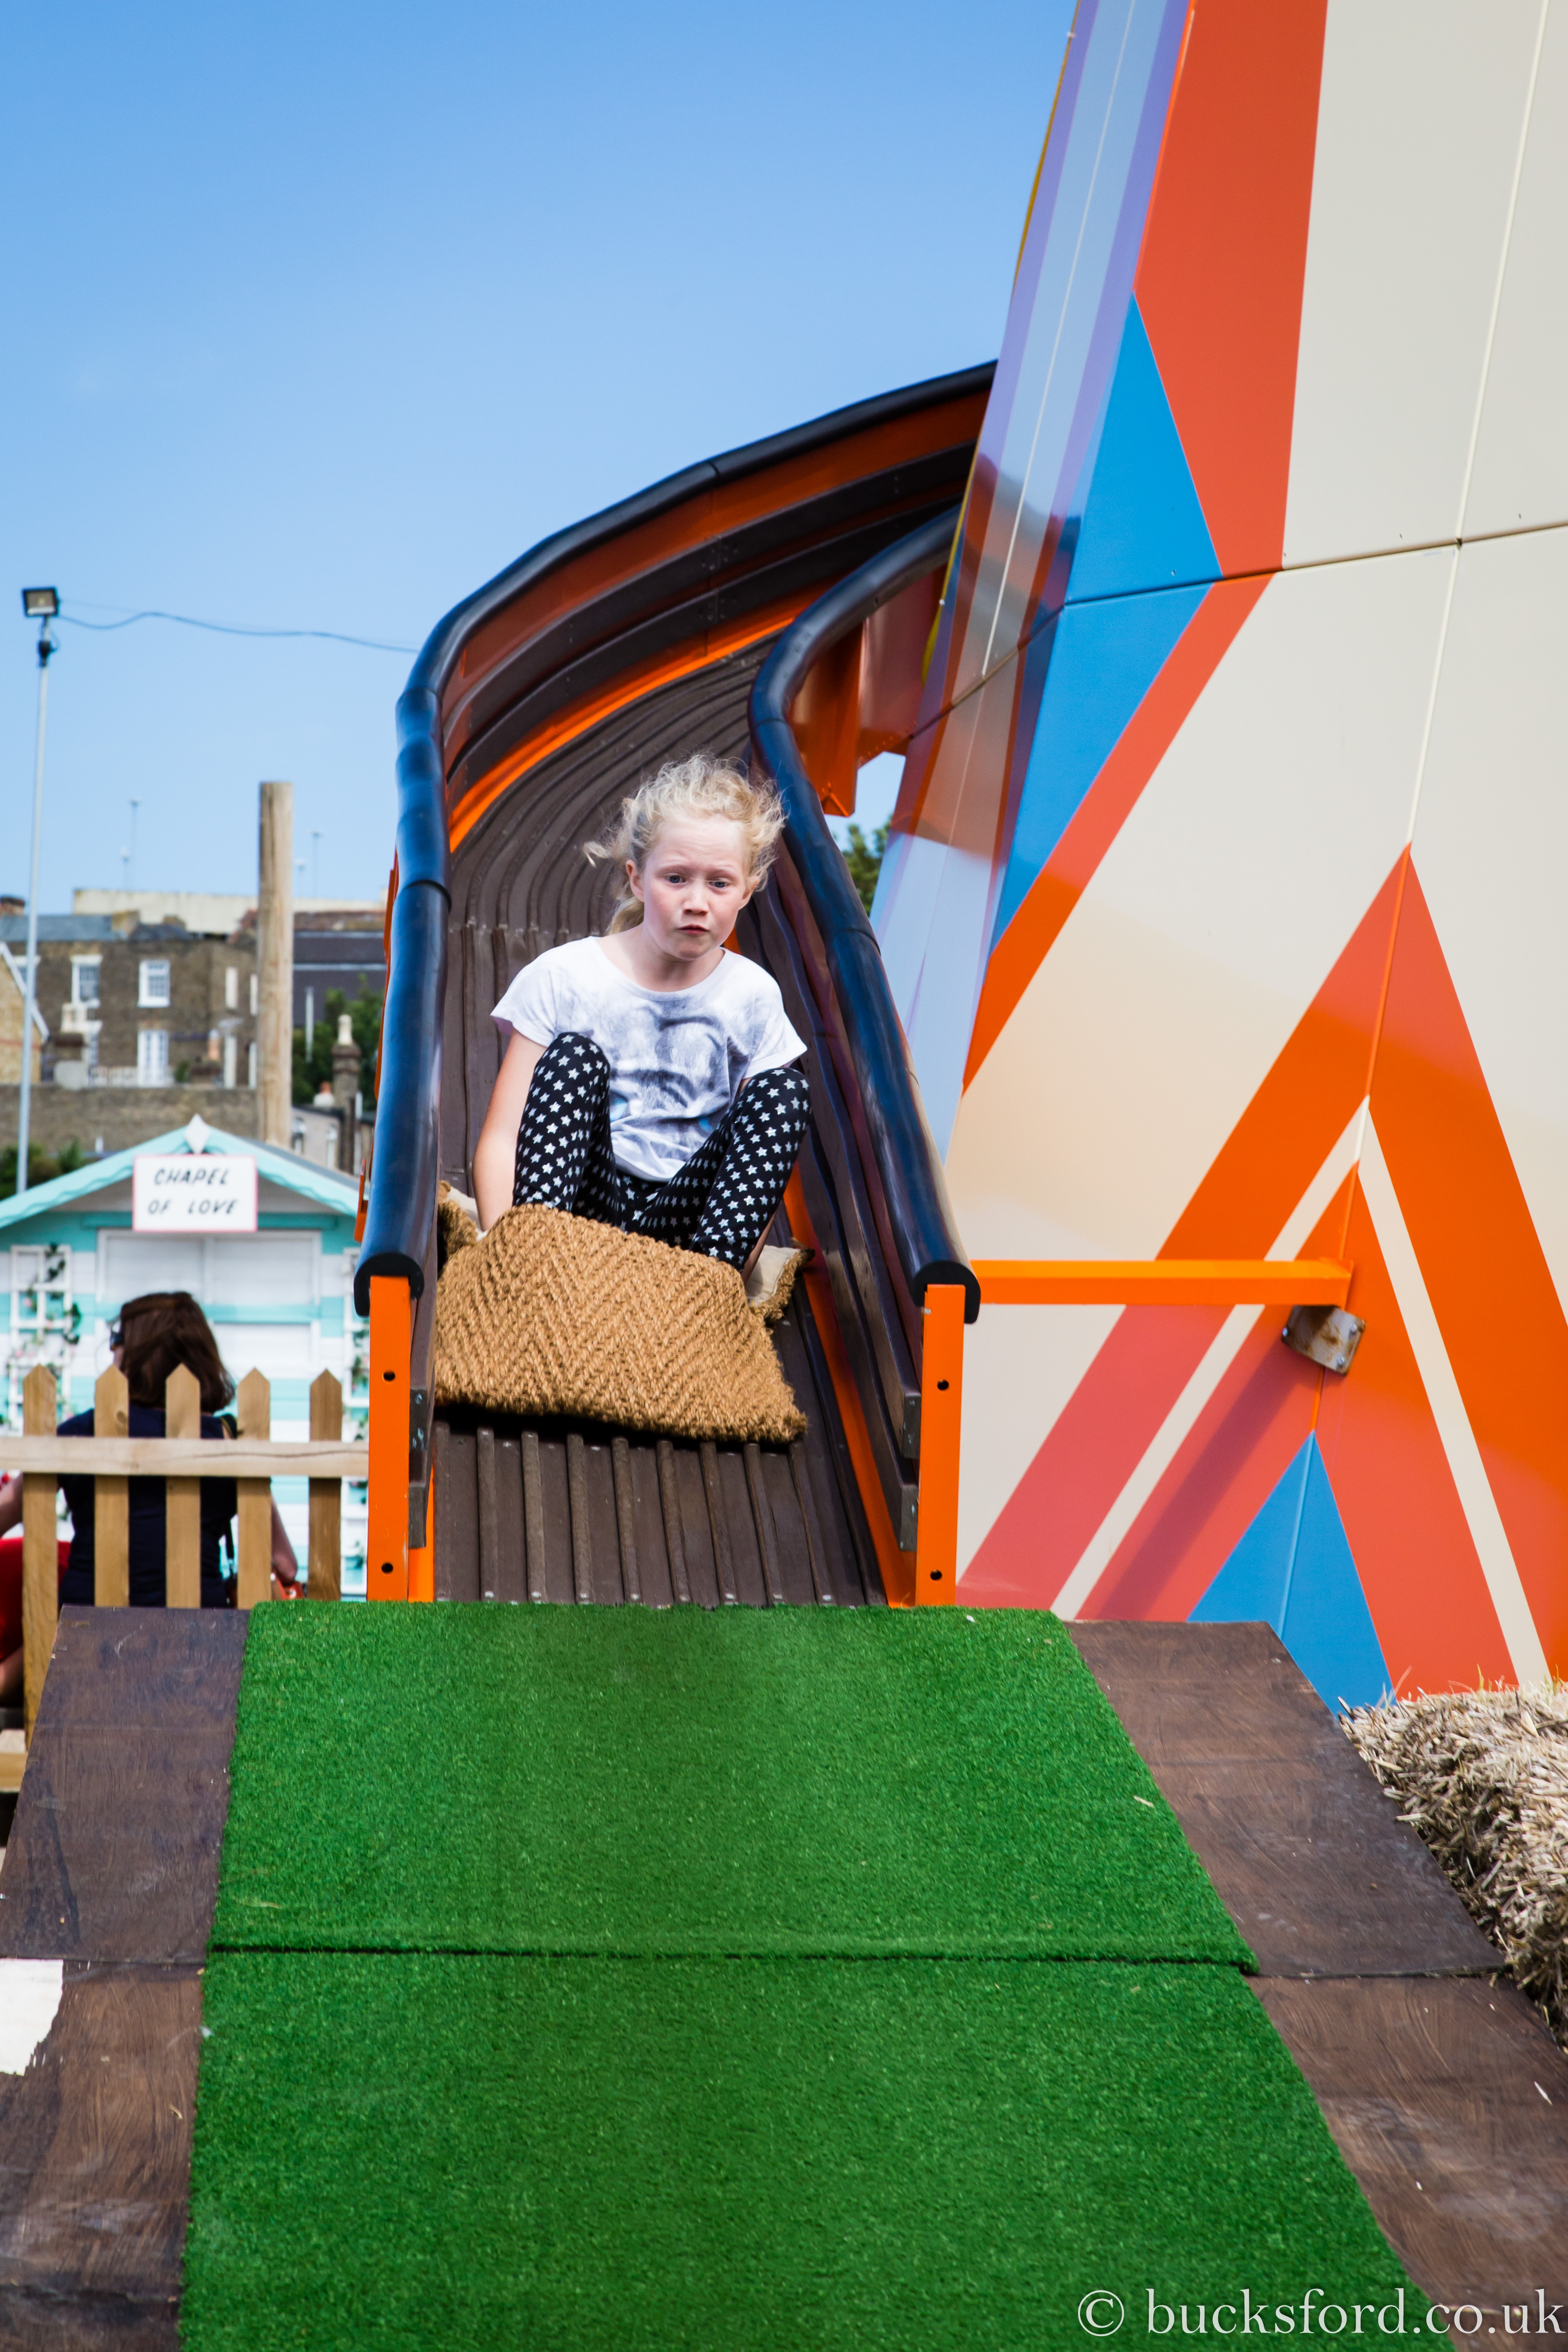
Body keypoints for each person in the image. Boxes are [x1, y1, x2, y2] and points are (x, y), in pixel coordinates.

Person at [472, 753, 811, 1271]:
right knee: (573, 1057)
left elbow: (754, 1163)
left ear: (746, 890)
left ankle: (706, 1288)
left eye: (719, 883)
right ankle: (532, 1259)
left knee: (784, 1091)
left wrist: (736, 1272)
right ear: (637, 879)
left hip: (685, 1230)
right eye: (675, 878)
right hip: (582, 1207)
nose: (696, 901)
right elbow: (503, 1137)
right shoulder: (566, 976)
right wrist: (499, 1253)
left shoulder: (751, 994)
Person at [0, 1291, 299, 1622]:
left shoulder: (80, 1433)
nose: (111, 1349)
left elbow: (6, 1510)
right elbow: (286, 1564)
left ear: (138, 1351)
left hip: (86, 1634)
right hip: (202, 1637)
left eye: (117, 1339)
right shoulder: (229, 1439)